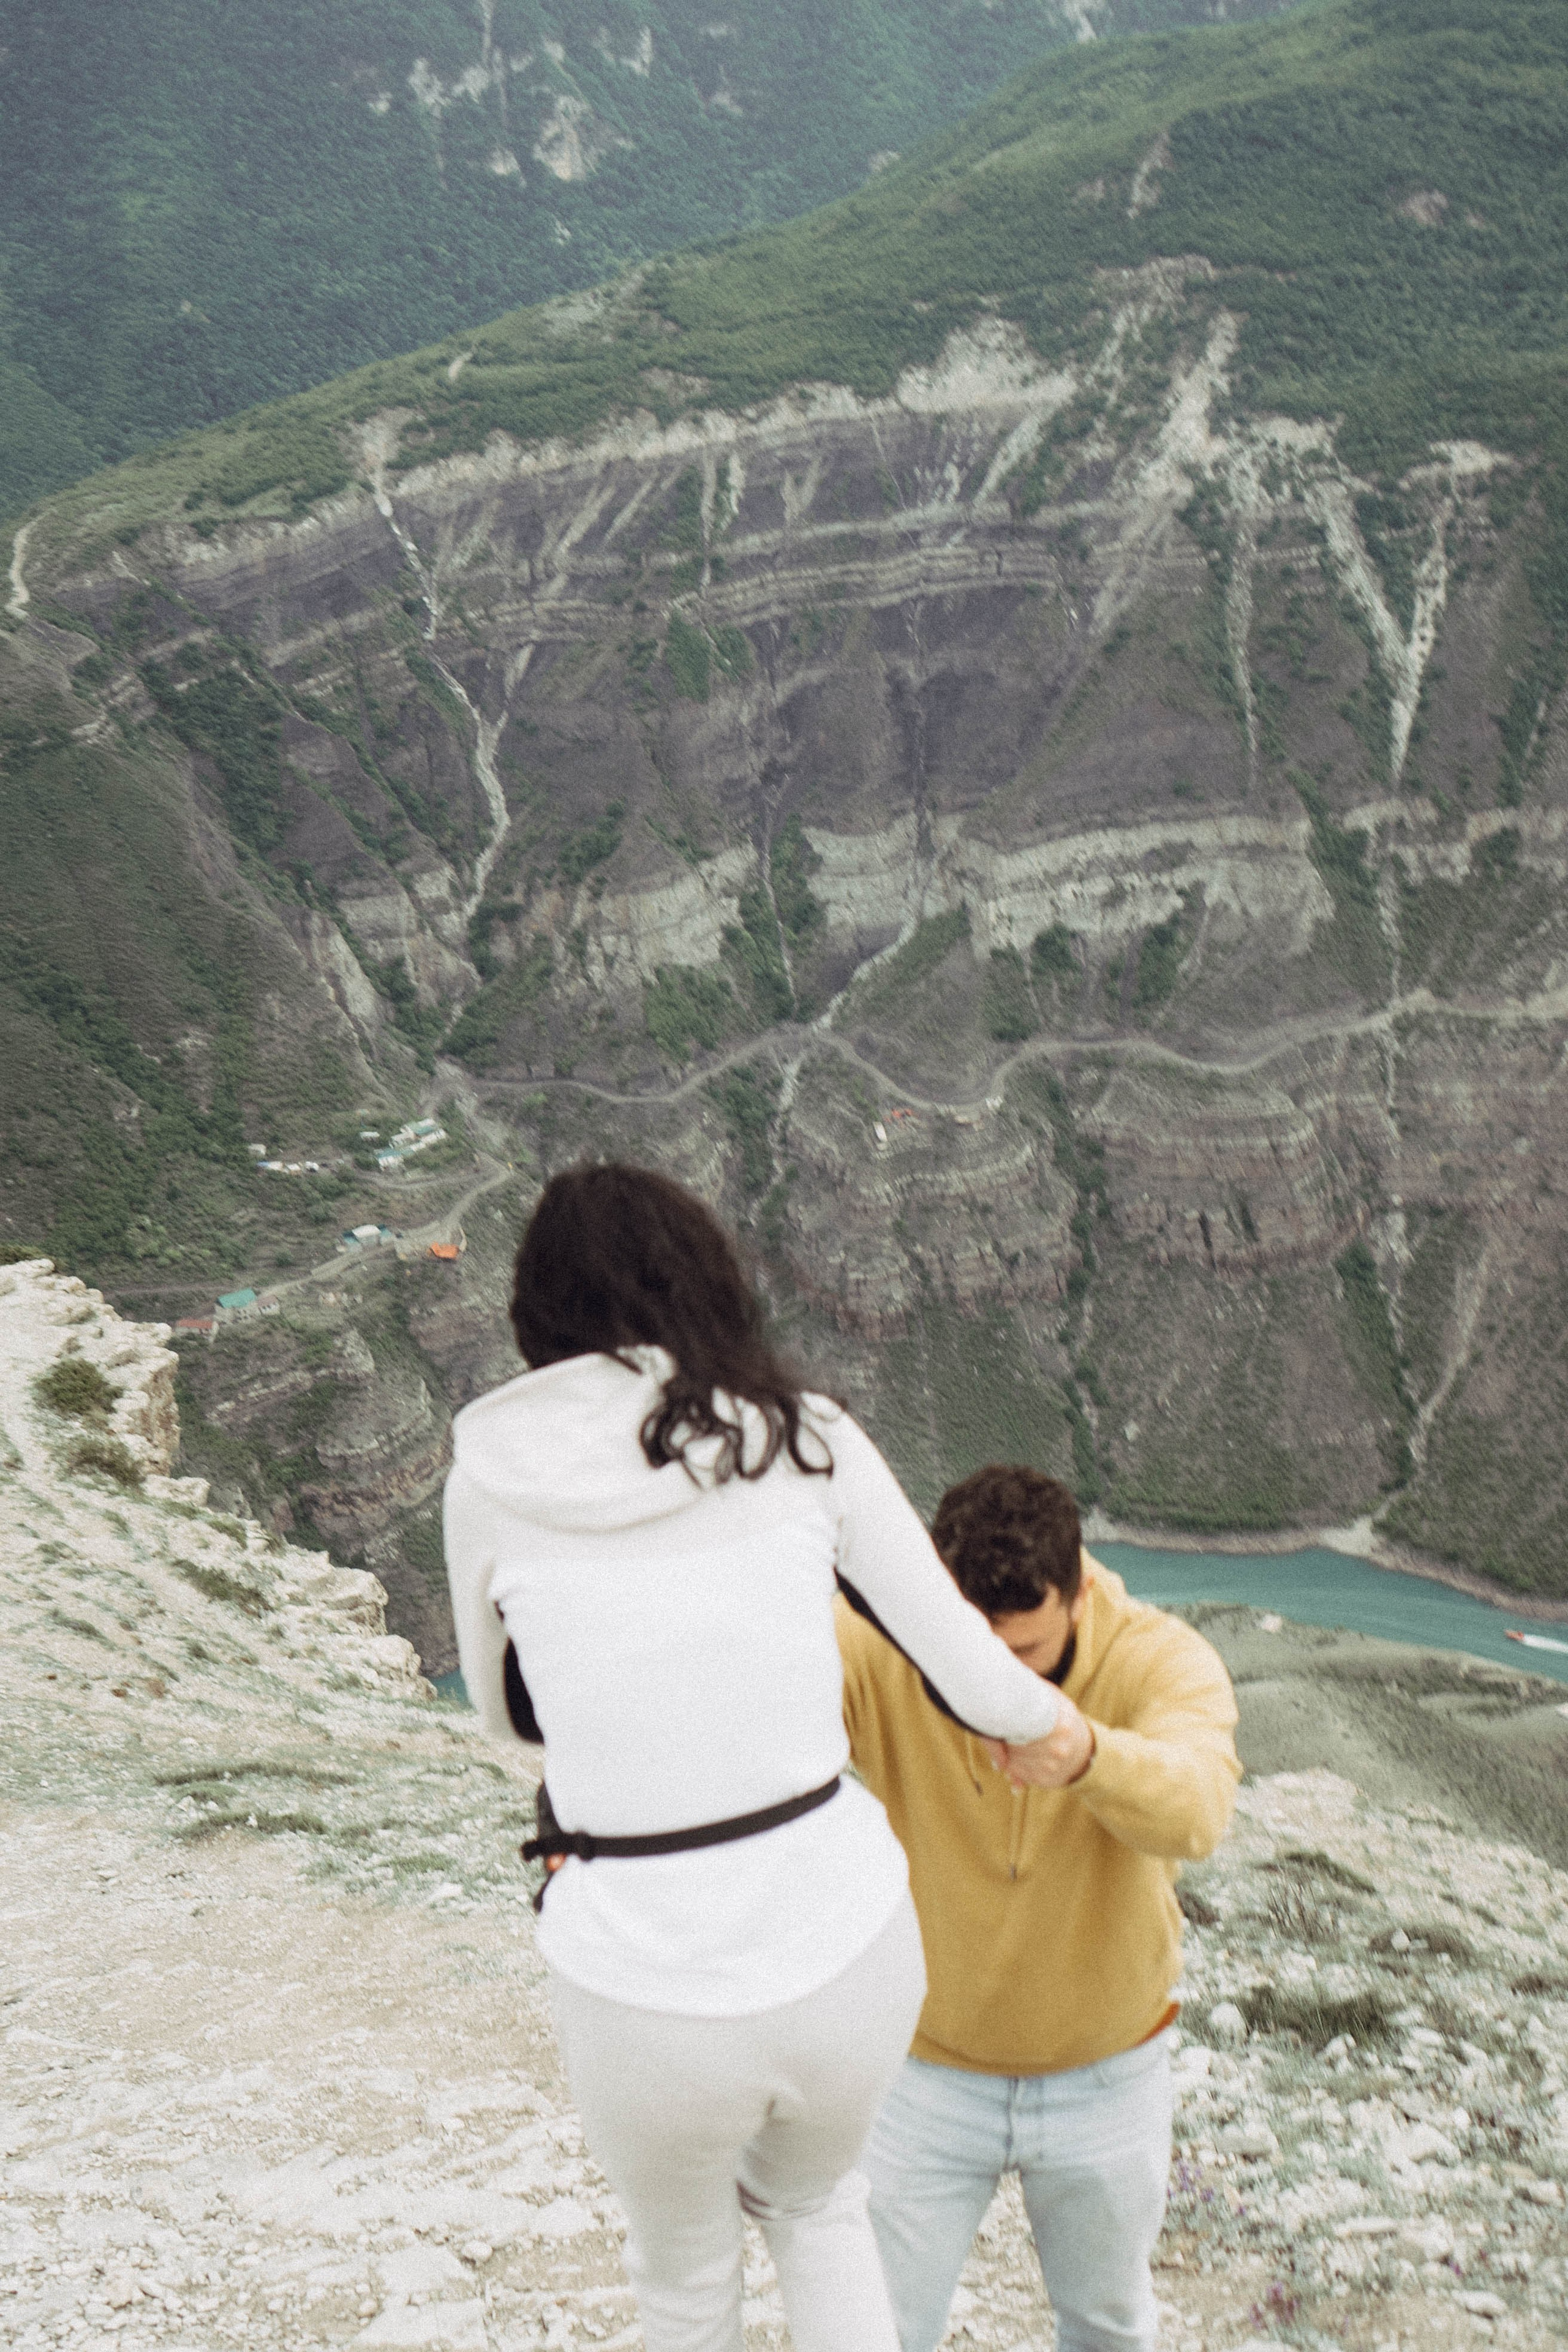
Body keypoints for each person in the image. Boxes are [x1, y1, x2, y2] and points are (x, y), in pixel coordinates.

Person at [443, 1166, 1070, 2352]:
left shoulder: (489, 1487)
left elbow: (507, 1719)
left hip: (642, 1982)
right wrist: (1065, 1735)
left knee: (684, 2286)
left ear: (537, 1317)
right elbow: (976, 1678)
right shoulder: (805, 1437)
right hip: (844, 1950)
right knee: (821, 2213)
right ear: (708, 1281)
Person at [839, 1463, 1241, 2352]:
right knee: (878, 2329)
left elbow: (1200, 1810)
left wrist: (1089, 1754)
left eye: (1021, 1655)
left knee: (1106, 2327)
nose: (988, 1685)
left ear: (1080, 1595)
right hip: (923, 2071)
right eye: (965, 1651)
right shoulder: (884, 1646)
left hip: (1108, 2074)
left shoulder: (1159, 1657)